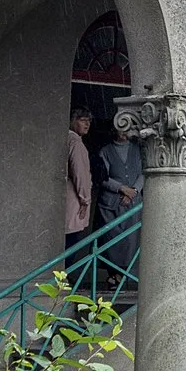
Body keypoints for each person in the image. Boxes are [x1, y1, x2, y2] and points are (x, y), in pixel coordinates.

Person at [95, 120, 145, 280]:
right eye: (121, 129)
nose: (124, 133)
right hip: (110, 203)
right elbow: (102, 177)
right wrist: (122, 189)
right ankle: (112, 275)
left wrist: (133, 191)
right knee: (111, 240)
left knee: (130, 241)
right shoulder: (106, 151)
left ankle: (122, 276)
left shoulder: (137, 150)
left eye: (127, 130)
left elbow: (144, 172)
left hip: (133, 202)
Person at [63, 107, 94, 254]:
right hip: (74, 200)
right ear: (72, 121)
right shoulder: (75, 142)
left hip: (67, 199)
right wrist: (85, 200)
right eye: (82, 120)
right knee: (70, 245)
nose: (87, 124)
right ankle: (62, 277)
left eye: (89, 121)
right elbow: (80, 174)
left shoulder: (67, 139)